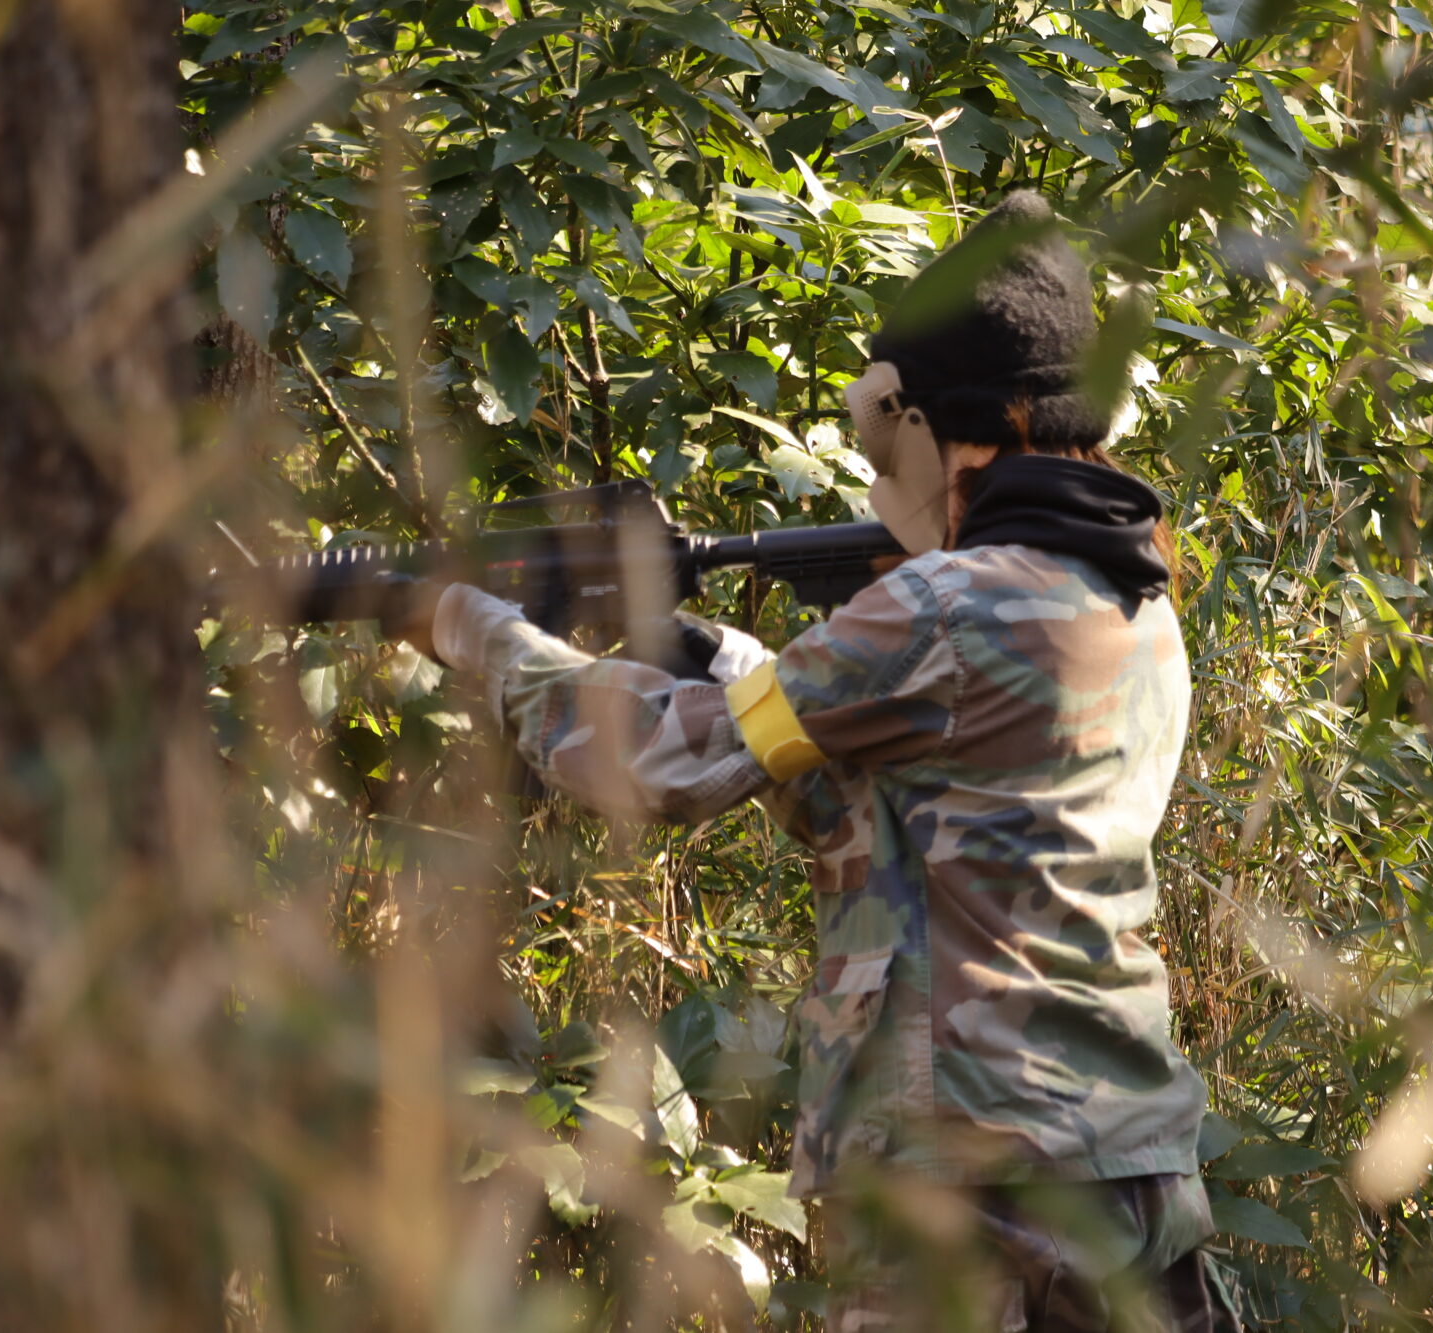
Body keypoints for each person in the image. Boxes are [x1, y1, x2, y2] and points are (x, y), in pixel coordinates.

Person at [409, 193, 1232, 1331]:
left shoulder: (942, 602)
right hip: (1125, 1160)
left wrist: (476, 632)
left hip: (965, 1179)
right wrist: (736, 662)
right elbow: (915, 814)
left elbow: (669, 762)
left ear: (941, 425)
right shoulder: (1135, 602)